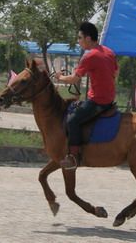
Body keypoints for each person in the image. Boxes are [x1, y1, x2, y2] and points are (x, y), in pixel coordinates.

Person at [54, 21, 118, 170]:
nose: (78, 41)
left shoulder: (90, 56)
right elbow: (116, 72)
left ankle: (73, 157)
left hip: (98, 101)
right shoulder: (109, 52)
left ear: (88, 38)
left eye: (79, 37)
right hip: (109, 99)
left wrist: (59, 77)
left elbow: (75, 79)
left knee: (72, 121)